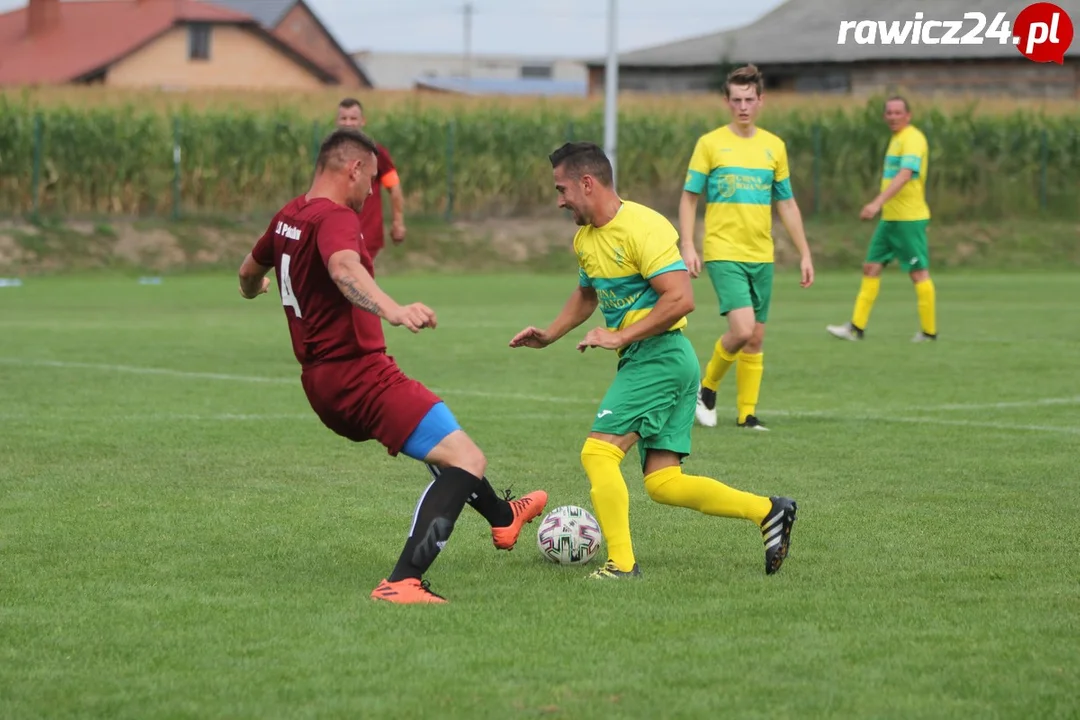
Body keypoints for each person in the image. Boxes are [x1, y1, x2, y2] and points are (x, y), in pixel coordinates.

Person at [237, 128, 547, 605]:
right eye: (371, 180)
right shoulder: (335, 217)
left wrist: (252, 290)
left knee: (445, 444)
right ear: (353, 169)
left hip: (323, 380)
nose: (369, 193)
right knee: (467, 459)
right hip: (358, 376)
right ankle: (402, 581)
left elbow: (246, 272)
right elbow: (343, 269)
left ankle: (504, 516)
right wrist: (393, 310)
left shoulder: (288, 216)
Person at [509, 141, 797, 579]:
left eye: (562, 188)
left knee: (598, 454)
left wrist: (620, 334)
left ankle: (622, 564)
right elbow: (588, 295)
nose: (560, 200)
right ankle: (768, 510)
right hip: (656, 360)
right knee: (664, 483)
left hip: (659, 357)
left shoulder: (645, 226)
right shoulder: (586, 238)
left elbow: (681, 298)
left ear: (587, 183)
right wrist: (550, 335)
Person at [679, 64, 815, 432]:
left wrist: (804, 252)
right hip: (723, 251)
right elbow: (690, 198)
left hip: (762, 253)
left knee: (755, 337)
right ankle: (706, 388)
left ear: (761, 101)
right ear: (727, 101)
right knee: (741, 329)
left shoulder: (774, 147)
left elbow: (786, 203)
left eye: (749, 100)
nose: (743, 106)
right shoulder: (710, 144)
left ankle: (747, 416)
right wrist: (688, 244)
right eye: (736, 100)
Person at [826, 96, 937, 343]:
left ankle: (929, 333)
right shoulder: (897, 139)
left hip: (908, 218)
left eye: (898, 112)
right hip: (891, 219)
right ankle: (856, 328)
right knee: (871, 267)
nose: (893, 117)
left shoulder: (912, 139)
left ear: (908, 115)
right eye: (889, 113)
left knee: (918, 273)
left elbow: (906, 174)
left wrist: (877, 202)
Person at [335, 98, 406, 264]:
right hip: (337, 229)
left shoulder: (375, 152)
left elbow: (394, 187)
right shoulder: (330, 154)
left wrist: (398, 222)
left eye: (353, 119)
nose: (348, 123)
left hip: (366, 231)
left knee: (355, 281)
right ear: (337, 121)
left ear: (362, 121)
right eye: (343, 118)